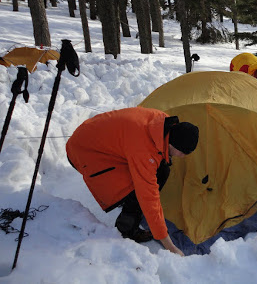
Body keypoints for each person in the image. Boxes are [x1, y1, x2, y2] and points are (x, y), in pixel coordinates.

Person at [66, 107, 199, 256]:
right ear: (173, 145)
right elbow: (148, 196)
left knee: (161, 171)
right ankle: (127, 229)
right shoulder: (143, 149)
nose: (182, 157)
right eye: (183, 153)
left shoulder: (163, 123)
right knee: (136, 191)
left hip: (94, 137)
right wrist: (169, 245)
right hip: (84, 151)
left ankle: (130, 213)